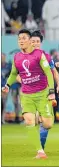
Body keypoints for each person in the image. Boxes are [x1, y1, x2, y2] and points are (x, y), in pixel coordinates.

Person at [1, 29, 55, 159]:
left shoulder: (39, 54)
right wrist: (7, 85)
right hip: (26, 95)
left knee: (48, 124)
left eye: (24, 38)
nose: (21, 41)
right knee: (29, 121)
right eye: (19, 39)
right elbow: (14, 73)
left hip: (42, 94)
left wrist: (51, 91)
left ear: (30, 40)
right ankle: (40, 152)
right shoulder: (17, 57)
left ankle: (40, 116)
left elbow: (48, 72)